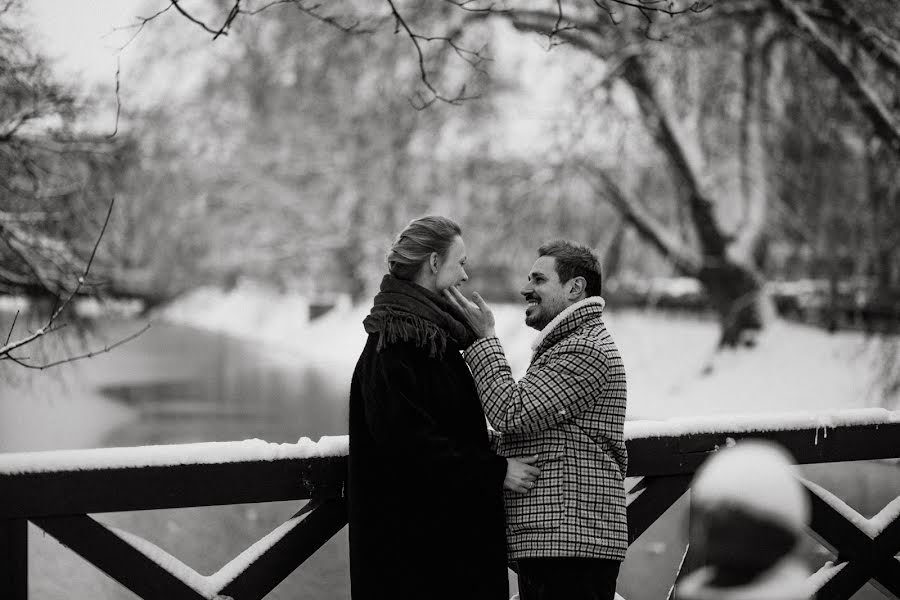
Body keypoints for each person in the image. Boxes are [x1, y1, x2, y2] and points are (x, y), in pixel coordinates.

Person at [347, 216, 541, 600]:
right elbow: (410, 445)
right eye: (461, 263)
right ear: (434, 263)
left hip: (434, 552)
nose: (466, 276)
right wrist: (495, 470)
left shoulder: (427, 336)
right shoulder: (397, 342)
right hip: (418, 561)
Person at [445, 239, 628, 600]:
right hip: (562, 541)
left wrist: (484, 339)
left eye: (539, 280)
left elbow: (510, 412)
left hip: (571, 546)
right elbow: (537, 431)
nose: (526, 289)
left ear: (575, 288)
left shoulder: (584, 349)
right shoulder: (566, 344)